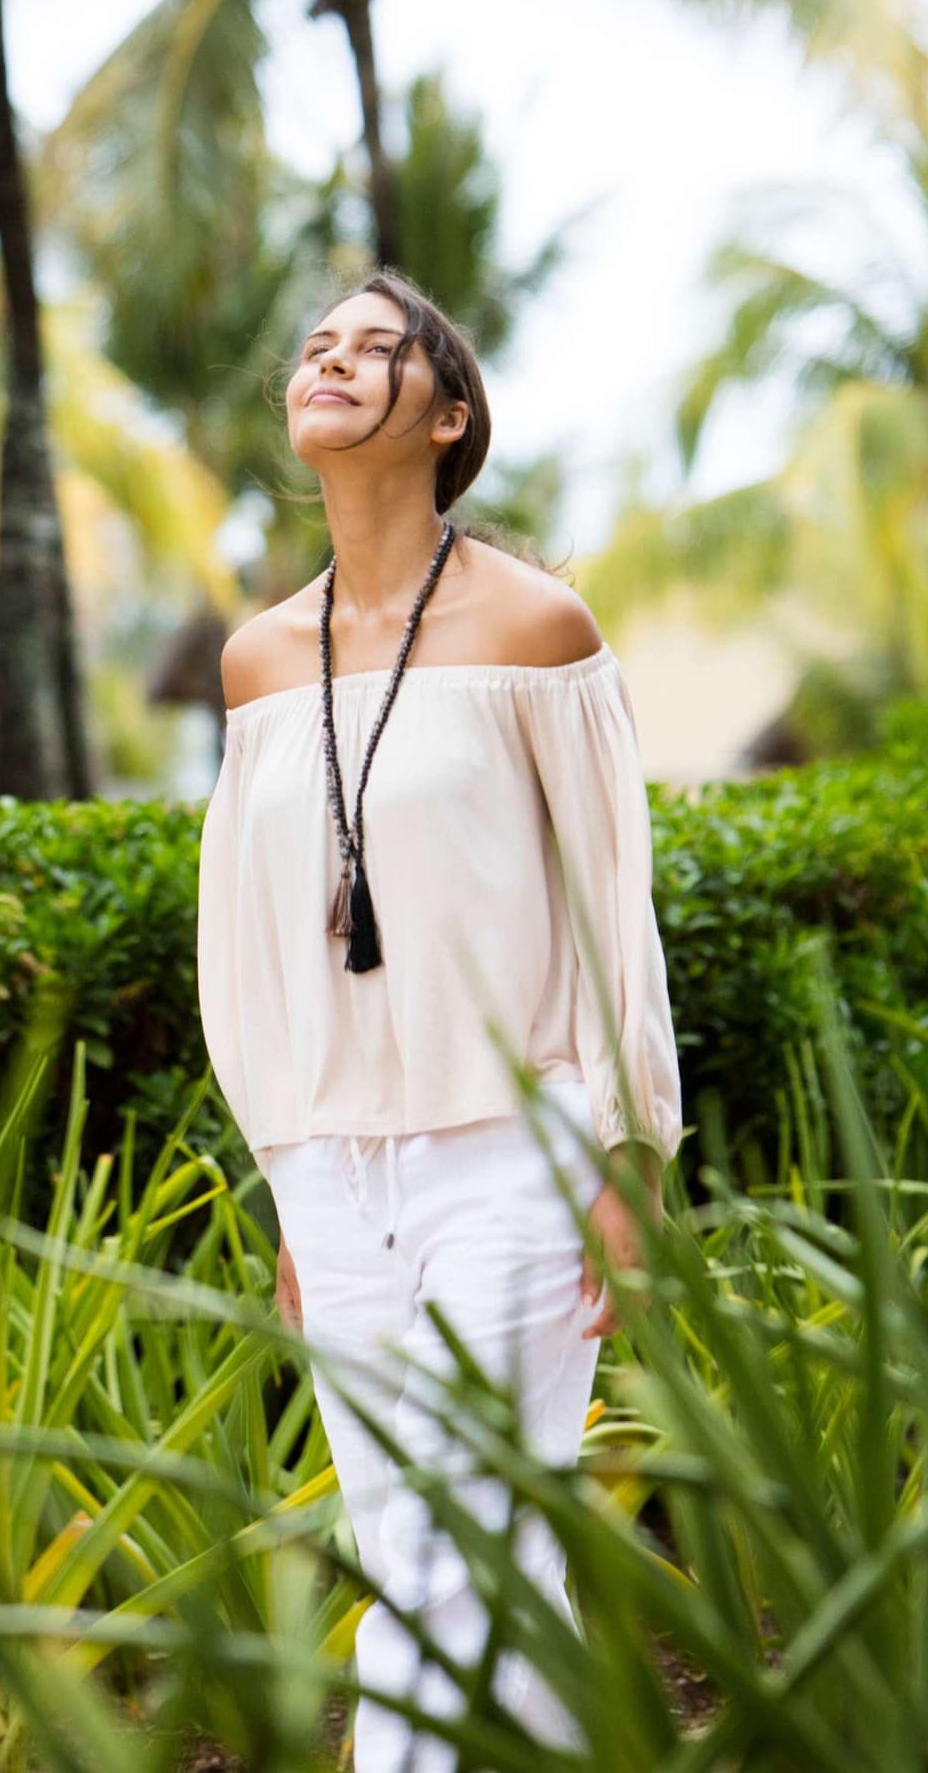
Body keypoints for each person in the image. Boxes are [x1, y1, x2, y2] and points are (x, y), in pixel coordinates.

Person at [197, 269, 683, 1773]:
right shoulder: (260, 659)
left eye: (375, 345)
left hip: (516, 1149)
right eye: (316, 347)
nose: (331, 361)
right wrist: (286, 1161)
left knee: (460, 1543)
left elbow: (613, 907)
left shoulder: (538, 628)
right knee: (430, 1541)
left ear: (448, 414)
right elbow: (253, 943)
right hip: (332, 1173)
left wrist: (631, 1156)